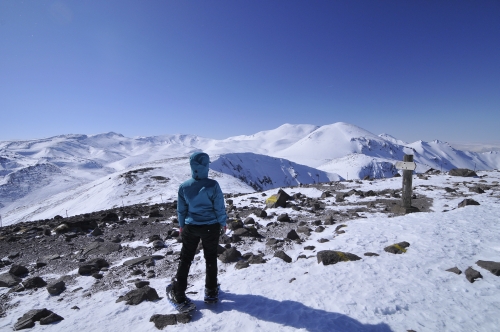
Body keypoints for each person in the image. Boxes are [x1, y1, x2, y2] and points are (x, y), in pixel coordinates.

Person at [167, 151, 227, 309]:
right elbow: (219, 207)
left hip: (191, 227)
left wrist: (181, 226)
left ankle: (179, 294)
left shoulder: (184, 186)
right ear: (206, 166)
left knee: (185, 259)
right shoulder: (213, 185)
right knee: (211, 258)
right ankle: (211, 291)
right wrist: (223, 222)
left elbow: (181, 210)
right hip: (211, 227)